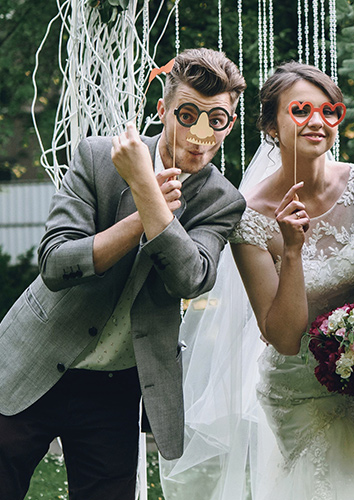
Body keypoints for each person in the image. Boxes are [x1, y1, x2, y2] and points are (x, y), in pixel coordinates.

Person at [0, 48, 246, 500]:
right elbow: (55, 264)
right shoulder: (97, 157)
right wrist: (141, 203)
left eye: (217, 120)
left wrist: (150, 200)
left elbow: (190, 278)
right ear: (163, 110)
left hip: (115, 385)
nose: (199, 134)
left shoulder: (222, 201)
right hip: (34, 357)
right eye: (187, 114)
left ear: (230, 124)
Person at [159, 62, 354, 499]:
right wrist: (293, 253)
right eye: (300, 110)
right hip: (297, 388)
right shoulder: (250, 216)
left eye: (329, 111)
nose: (317, 121)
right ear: (271, 126)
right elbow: (281, 335)